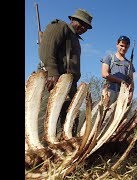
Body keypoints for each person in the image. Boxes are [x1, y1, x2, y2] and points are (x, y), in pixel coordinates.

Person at [38, 8, 93, 136]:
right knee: (47, 116)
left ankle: (66, 148)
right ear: (73, 20)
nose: (84, 28)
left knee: (70, 118)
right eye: (82, 23)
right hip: (54, 80)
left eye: (86, 27)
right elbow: (46, 49)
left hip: (69, 84)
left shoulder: (75, 38)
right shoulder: (60, 26)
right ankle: (39, 150)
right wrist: (52, 72)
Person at [101, 35, 135, 105]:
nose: (123, 48)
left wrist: (130, 94)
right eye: (121, 46)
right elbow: (105, 74)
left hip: (123, 94)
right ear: (117, 44)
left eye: (126, 47)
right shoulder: (109, 57)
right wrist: (122, 81)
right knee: (106, 114)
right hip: (109, 91)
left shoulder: (129, 64)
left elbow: (131, 81)